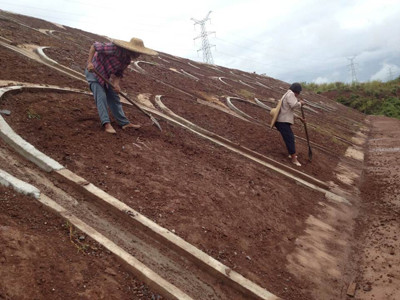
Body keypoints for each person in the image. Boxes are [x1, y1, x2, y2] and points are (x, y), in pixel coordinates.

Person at [85, 37, 157, 134]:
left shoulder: (126, 60)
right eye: (137, 52)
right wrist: (89, 62)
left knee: (114, 97)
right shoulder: (114, 49)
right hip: (94, 71)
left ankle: (124, 123)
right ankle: (106, 123)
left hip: (105, 76)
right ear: (132, 50)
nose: (138, 55)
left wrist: (116, 84)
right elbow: (94, 46)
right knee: (101, 96)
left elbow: (119, 73)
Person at [274, 82, 306, 166]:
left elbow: (288, 111)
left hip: (281, 121)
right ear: (297, 91)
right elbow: (294, 105)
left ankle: (291, 154)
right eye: (298, 93)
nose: (297, 95)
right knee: (290, 138)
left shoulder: (287, 94)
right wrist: (301, 103)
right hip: (282, 122)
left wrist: (299, 118)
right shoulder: (291, 94)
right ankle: (293, 158)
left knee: (290, 138)